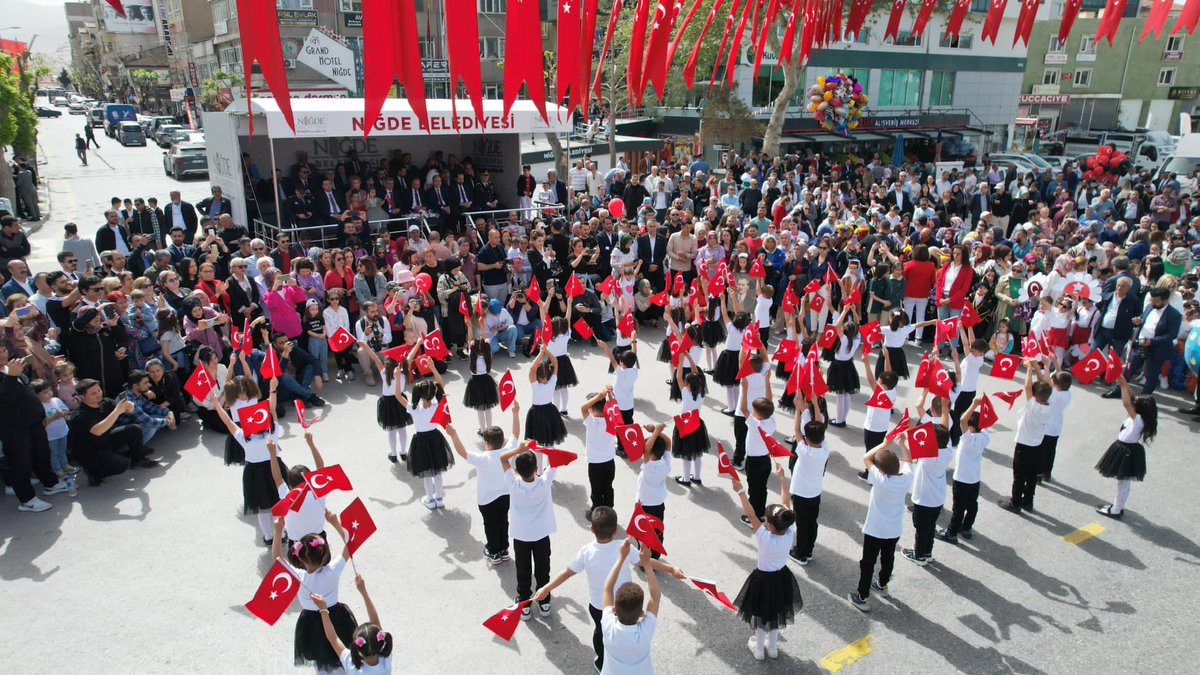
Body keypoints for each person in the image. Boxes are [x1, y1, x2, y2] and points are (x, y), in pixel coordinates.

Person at [533, 506, 683, 672]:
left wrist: (546, 588)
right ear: (615, 532)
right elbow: (645, 562)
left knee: (600, 632)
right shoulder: (624, 548)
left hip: (599, 606)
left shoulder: (586, 552)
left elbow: (567, 572)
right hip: (628, 605)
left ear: (591, 529)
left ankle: (602, 659)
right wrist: (670, 569)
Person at [730, 464, 801, 661]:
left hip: (762, 580)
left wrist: (741, 491)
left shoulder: (764, 537)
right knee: (776, 611)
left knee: (760, 615)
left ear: (768, 525)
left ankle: (759, 648)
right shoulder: (789, 533)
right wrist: (782, 480)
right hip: (781, 578)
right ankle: (772, 647)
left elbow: (751, 514)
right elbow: (786, 505)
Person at [270, 521, 356, 674]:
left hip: (312, 623)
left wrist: (277, 531)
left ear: (302, 558)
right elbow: (350, 546)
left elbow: (277, 558)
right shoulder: (333, 570)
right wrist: (335, 522)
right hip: (336, 617)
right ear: (324, 554)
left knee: (320, 658)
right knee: (341, 652)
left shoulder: (300, 577)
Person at [446, 403, 521, 565]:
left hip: (486, 500)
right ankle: (504, 549)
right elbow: (515, 433)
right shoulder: (507, 451)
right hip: (506, 496)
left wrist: (453, 435)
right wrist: (515, 413)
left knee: (490, 525)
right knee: (503, 521)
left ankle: (494, 552)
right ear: (502, 440)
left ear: (486, 443)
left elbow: (462, 452)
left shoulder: (482, 458)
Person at [0, 347, 71, 512]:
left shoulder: (10, 368)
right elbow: (5, 400)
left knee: (41, 454)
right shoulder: (10, 373)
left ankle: (50, 484)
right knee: (20, 464)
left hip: (33, 421)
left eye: (3, 350)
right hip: (14, 428)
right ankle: (27, 500)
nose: (3, 354)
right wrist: (11, 376)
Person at [849, 435, 913, 612]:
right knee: (888, 558)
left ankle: (862, 596)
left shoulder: (880, 479)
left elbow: (866, 457)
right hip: (893, 530)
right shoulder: (905, 479)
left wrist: (885, 444)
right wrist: (902, 445)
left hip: (875, 529)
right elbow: (909, 460)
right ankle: (882, 584)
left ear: (881, 470)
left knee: (868, 562)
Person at [500, 439, 558, 620]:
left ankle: (524, 602)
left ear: (516, 471)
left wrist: (519, 449)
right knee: (543, 569)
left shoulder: (513, 484)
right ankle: (544, 602)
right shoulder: (544, 482)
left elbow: (502, 459)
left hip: (521, 535)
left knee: (523, 569)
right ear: (536, 469)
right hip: (541, 534)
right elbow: (554, 459)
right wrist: (541, 447)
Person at [68, 378, 157, 487]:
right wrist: (117, 411)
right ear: (82, 397)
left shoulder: (104, 402)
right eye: (93, 393)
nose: (98, 394)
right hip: (91, 452)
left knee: (134, 429)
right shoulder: (79, 415)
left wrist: (129, 407)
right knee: (122, 465)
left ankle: (138, 459)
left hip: (106, 441)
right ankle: (94, 472)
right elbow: (97, 431)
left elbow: (126, 411)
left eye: (99, 390)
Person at [1095, 375, 1157, 518]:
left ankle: (1117, 509)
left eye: (1136, 401)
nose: (1134, 399)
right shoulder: (1143, 416)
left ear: (1139, 407)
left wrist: (1123, 387)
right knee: (1123, 482)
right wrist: (1124, 383)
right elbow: (1134, 398)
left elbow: (1126, 403)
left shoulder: (1138, 419)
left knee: (1122, 483)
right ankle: (1118, 506)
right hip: (1129, 450)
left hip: (1126, 451)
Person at [903, 393, 952, 566]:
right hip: (937, 498)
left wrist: (906, 433)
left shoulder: (927, 458)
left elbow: (911, 452)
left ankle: (919, 555)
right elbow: (945, 426)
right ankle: (928, 552)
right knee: (930, 528)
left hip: (924, 498)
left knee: (921, 528)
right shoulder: (947, 452)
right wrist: (945, 407)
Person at [998, 360, 1052, 513]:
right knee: (1031, 475)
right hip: (1037, 446)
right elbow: (1045, 386)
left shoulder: (1033, 406)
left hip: (1023, 445)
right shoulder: (1048, 405)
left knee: (1019, 475)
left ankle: (1015, 502)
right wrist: (1037, 368)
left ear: (1034, 396)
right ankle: (1028, 500)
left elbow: (1028, 387)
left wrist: (1029, 369)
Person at [311, 575, 393, 675]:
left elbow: (333, 638)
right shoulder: (386, 657)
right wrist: (364, 592)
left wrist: (323, 608)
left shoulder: (352, 665)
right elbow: (333, 639)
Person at [937, 397, 990, 543]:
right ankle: (967, 528)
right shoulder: (985, 436)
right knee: (972, 505)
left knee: (958, 508)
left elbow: (962, 421)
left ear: (971, 428)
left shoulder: (968, 440)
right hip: (974, 478)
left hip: (961, 478)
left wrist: (974, 404)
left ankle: (952, 532)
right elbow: (983, 423)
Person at [788, 390, 829, 565]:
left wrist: (799, 409)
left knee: (802, 524)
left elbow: (796, 429)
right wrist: (814, 406)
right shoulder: (824, 448)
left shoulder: (804, 452)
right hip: (814, 493)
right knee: (811, 523)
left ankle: (802, 553)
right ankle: (809, 549)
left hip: (801, 493)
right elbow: (819, 424)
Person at [407, 378, 454, 509]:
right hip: (436, 439)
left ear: (418, 394)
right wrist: (433, 368)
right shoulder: (438, 406)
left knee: (426, 472)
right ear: (434, 393)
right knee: (438, 471)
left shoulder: (413, 409)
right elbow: (441, 385)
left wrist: (398, 376)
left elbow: (398, 396)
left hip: (421, 441)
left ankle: (430, 499)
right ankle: (439, 498)